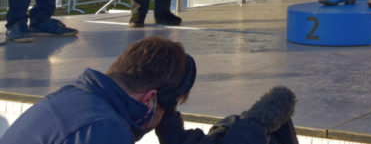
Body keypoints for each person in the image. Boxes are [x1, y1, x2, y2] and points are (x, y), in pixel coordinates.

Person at [0, 36, 299, 144]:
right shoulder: (104, 130)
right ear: (150, 99)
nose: (165, 119)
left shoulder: (77, 99)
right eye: (169, 108)